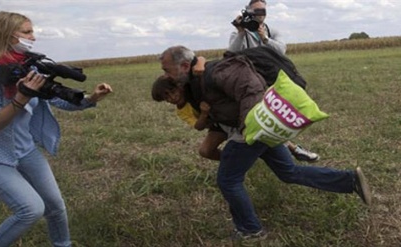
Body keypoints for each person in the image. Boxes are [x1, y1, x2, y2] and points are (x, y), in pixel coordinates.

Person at [155, 45, 371, 243]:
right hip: (260, 130)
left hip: (249, 130)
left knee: (228, 180)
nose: (166, 75)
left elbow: (251, 86)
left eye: (167, 70)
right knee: (289, 172)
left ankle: (250, 230)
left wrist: (248, 124)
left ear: (183, 65)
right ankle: (349, 180)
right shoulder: (195, 77)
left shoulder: (215, 71)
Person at [0, 11, 112, 247]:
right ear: (10, 36)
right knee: (30, 209)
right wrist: (21, 96)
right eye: (28, 32)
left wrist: (91, 98)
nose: (34, 37)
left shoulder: (29, 67)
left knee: (55, 206)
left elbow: (55, 99)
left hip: (24, 149)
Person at [229, 0, 320, 162]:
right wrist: (241, 31)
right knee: (262, 115)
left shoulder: (271, 30)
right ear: (248, 11)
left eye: (263, 11)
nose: (260, 14)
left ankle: (285, 149)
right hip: (249, 78)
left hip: (271, 77)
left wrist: (265, 39)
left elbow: (282, 51)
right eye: (256, 11)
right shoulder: (240, 30)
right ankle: (291, 148)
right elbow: (231, 53)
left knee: (273, 114)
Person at [152, 74, 227, 161]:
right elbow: (198, 126)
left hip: (227, 117)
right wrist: (204, 114)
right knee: (205, 151)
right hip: (216, 126)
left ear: (179, 86)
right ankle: (232, 161)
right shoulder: (181, 111)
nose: (172, 97)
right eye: (167, 97)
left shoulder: (194, 90)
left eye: (173, 91)